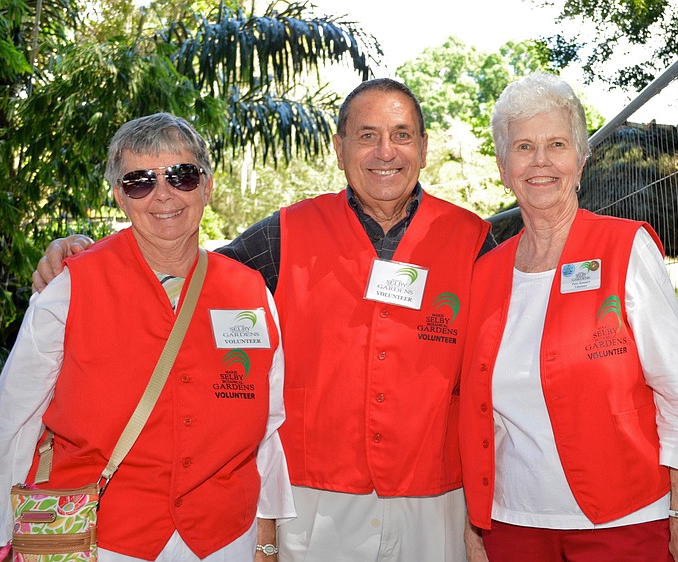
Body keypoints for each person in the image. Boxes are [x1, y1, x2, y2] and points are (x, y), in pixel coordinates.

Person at [30, 79, 495, 562]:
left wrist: (479, 521)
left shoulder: (473, 241)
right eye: (366, 135)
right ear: (339, 149)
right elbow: (183, 267)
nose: (385, 151)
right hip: (315, 504)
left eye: (401, 135)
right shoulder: (284, 234)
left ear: (423, 147)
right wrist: (83, 250)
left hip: (434, 500)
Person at [0, 113, 295, 561]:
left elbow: (267, 426)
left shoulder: (250, 292)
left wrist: (266, 536)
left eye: (182, 175)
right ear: (120, 197)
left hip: (224, 539)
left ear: (206, 186)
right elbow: (15, 418)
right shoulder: (70, 288)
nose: (164, 195)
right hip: (100, 536)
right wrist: (4, 528)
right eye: (139, 181)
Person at [458, 73, 678, 562]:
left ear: (579, 161)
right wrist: (475, 524)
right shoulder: (486, 272)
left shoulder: (624, 248)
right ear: (501, 165)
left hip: (623, 524)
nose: (540, 162)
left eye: (557, 144)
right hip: (512, 526)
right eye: (523, 146)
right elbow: (475, 414)